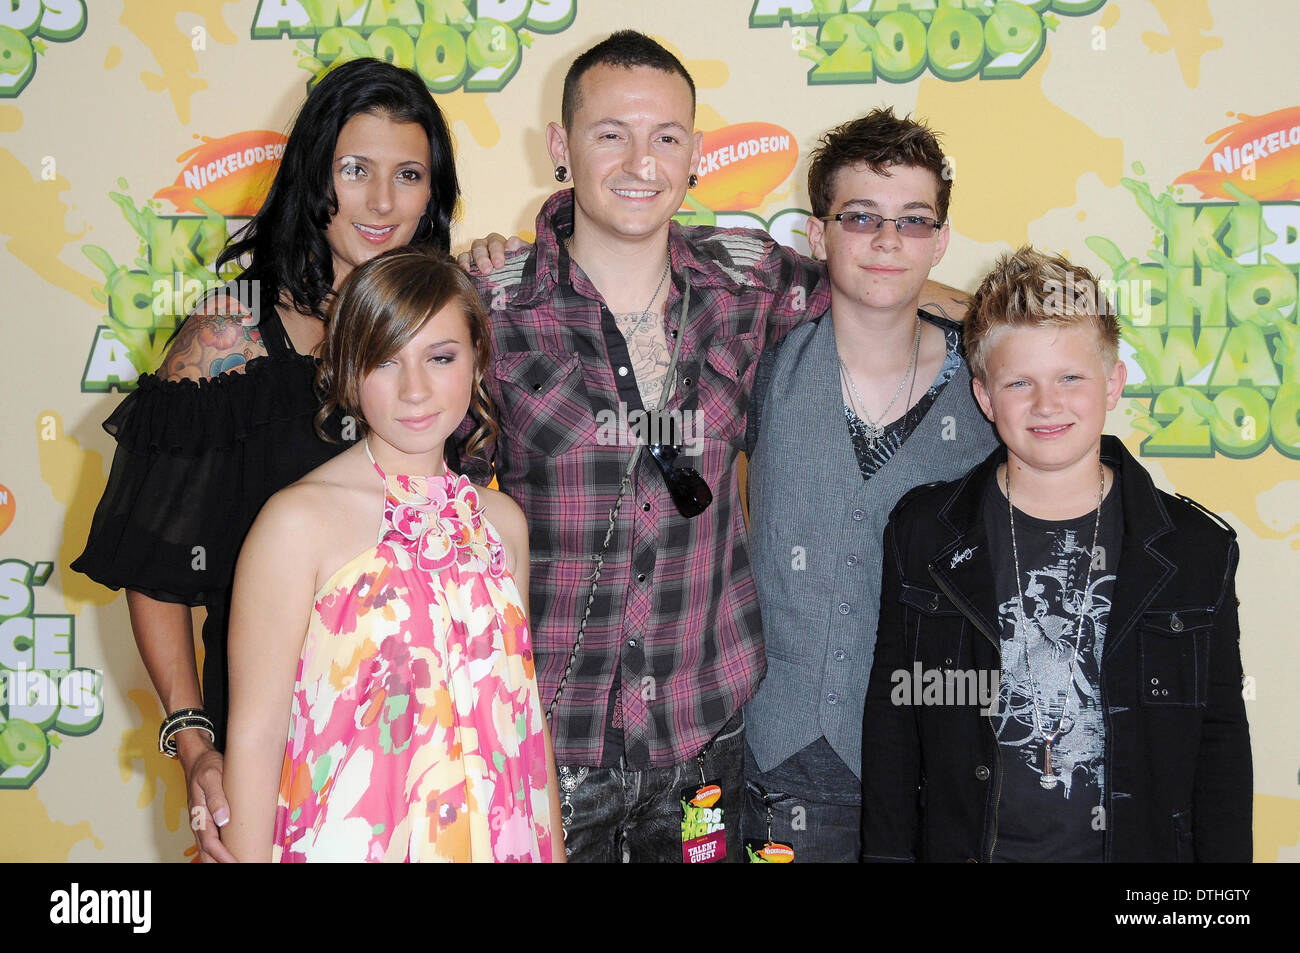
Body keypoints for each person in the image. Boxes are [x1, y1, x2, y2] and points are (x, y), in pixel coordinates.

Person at [458, 31, 966, 863]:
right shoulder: (485, 304)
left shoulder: (748, 280)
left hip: (703, 743)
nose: (640, 161)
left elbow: (881, 283)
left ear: (694, 154)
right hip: (537, 741)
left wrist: (1022, 324)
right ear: (560, 147)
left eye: (665, 137)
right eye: (610, 132)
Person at [70, 58, 459, 861]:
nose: (382, 201)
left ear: (434, 193)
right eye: (355, 170)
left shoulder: (449, 334)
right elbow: (156, 569)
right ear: (314, 175)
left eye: (408, 174)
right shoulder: (233, 336)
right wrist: (192, 738)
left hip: (433, 752)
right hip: (273, 751)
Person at [861, 246, 1252, 862]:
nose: (1047, 404)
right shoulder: (925, 532)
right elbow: (894, 723)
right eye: (1020, 383)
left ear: (1114, 384)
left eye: (1071, 377)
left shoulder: (1197, 549)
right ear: (985, 397)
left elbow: (1221, 744)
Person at [220, 248, 563, 862]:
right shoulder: (298, 522)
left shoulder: (502, 524)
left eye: (441, 357)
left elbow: (523, 724)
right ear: (348, 372)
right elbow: (256, 734)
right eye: (385, 360)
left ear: (477, 359)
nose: (415, 389)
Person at [741, 109, 997, 862]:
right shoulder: (760, 361)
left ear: (942, 241)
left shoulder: (992, 385)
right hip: (780, 767)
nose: (888, 242)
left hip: (939, 766)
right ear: (817, 235)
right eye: (861, 217)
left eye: (914, 221)